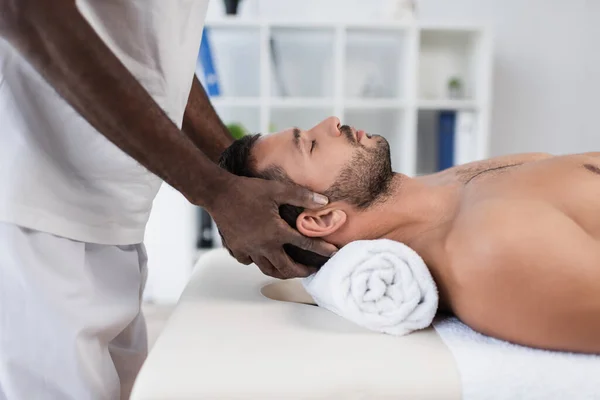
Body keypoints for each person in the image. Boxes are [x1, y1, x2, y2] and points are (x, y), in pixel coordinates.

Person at [0, 1, 336, 398]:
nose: (332, 123)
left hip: (112, 217)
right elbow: (24, 10)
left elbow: (153, 57)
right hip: (32, 203)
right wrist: (218, 190)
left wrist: (234, 179)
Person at [219, 116, 600, 354]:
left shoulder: (450, 184)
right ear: (321, 220)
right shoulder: (486, 252)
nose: (332, 121)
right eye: (312, 145)